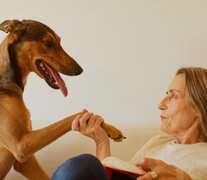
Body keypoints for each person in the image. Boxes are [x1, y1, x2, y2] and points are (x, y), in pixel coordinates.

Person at [52, 67, 207, 180]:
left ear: (198, 107)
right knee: (82, 167)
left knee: (81, 166)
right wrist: (101, 141)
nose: (160, 104)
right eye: (166, 95)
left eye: (173, 96)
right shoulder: (158, 142)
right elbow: (114, 176)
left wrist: (182, 178)